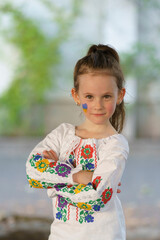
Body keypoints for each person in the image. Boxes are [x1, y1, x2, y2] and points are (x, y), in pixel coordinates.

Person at [26, 44, 129, 240]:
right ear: (76, 96)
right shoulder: (63, 134)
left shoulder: (116, 144)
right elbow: (32, 170)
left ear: (120, 96)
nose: (97, 105)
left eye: (106, 96)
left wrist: (52, 182)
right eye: (89, 97)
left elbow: (98, 198)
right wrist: (77, 176)